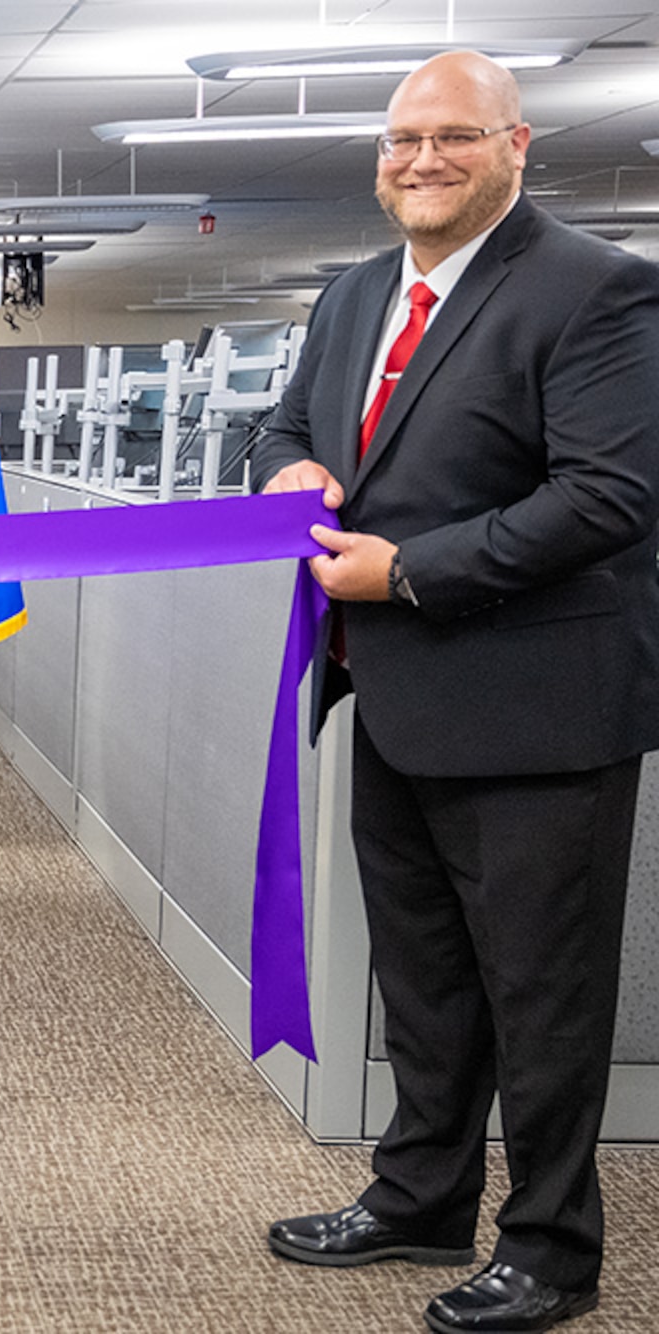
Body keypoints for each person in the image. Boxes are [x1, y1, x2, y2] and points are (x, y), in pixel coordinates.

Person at [255, 52, 659, 1334]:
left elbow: (606, 496)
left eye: (450, 137)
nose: (418, 160)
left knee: (539, 993)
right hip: (393, 696)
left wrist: (405, 571)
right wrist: (284, 472)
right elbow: (282, 426)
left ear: (514, 146)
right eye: (398, 142)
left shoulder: (593, 289)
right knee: (423, 976)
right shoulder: (355, 294)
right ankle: (419, 1191)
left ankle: (549, 1246)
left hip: (537, 708)